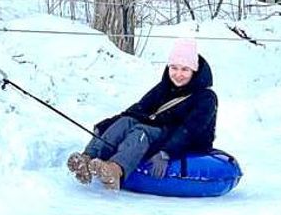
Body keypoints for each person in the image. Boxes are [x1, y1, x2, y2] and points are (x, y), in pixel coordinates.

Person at [67, 38, 217, 190]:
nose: (178, 74)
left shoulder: (206, 98)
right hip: (162, 131)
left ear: (194, 70)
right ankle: (87, 159)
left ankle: (115, 170)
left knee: (142, 131)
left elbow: (190, 130)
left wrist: (166, 152)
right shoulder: (165, 87)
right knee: (126, 121)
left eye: (185, 69)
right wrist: (107, 125)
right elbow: (139, 109)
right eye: (174, 68)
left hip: (187, 140)